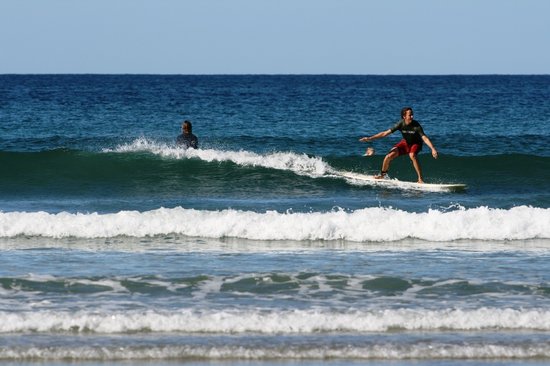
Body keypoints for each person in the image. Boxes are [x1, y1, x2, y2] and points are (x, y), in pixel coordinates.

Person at [359, 107, 438, 183]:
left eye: (412, 114)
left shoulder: (416, 125)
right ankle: (382, 175)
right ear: (404, 116)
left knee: (412, 155)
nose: (412, 116)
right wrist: (370, 138)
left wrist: (433, 149)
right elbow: (385, 133)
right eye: (410, 115)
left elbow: (424, 138)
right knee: (388, 156)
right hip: (405, 142)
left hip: (416, 143)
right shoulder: (400, 124)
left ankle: (420, 179)